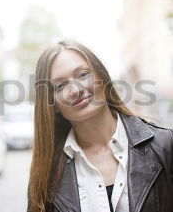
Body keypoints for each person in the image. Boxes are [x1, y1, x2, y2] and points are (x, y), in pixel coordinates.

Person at [27, 40, 173, 212]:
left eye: (82, 74)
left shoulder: (165, 145)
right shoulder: (46, 173)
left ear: (102, 76)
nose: (75, 90)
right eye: (60, 86)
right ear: (52, 103)